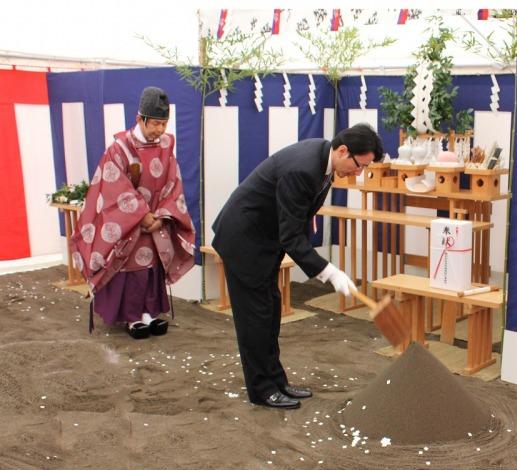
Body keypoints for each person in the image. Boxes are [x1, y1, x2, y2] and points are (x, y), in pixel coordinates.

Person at [212, 123, 384, 409]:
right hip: (244, 241)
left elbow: (298, 214)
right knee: (255, 320)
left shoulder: (324, 161)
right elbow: (290, 235)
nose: (359, 173)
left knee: (270, 313)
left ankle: (278, 381)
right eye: (359, 165)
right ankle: (262, 390)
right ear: (343, 150)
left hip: (265, 242)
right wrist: (329, 272)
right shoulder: (303, 169)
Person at [70, 86, 196, 339]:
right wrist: (142, 215)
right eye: (156, 124)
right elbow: (114, 185)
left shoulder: (166, 144)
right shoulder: (120, 147)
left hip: (157, 218)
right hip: (130, 223)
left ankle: (151, 312)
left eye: (164, 124)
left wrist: (162, 215)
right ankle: (132, 317)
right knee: (131, 269)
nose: (160, 130)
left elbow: (174, 181)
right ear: (140, 119)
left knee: (152, 266)